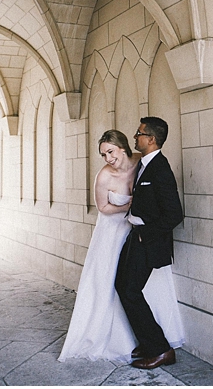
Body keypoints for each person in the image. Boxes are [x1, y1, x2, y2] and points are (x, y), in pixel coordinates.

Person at [58, 130, 184, 363]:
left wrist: (143, 226)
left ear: (123, 147)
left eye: (110, 151)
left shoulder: (144, 164)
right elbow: (104, 208)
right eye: (103, 154)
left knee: (128, 288)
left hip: (140, 235)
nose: (107, 158)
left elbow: (166, 206)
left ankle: (157, 346)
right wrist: (129, 207)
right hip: (114, 232)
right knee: (116, 285)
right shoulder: (104, 176)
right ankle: (147, 343)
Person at [115, 117, 184, 370]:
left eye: (139, 133)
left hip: (147, 240)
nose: (135, 137)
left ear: (151, 139)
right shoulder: (145, 164)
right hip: (136, 235)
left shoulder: (160, 169)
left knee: (129, 290)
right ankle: (150, 342)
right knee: (123, 286)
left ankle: (161, 350)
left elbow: (174, 214)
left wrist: (146, 234)